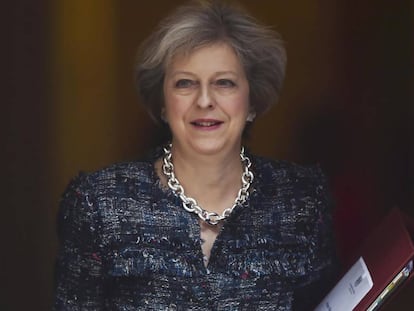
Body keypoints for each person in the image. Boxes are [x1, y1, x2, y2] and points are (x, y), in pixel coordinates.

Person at [53, 1, 339, 310]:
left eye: (224, 83)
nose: (204, 100)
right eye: (185, 83)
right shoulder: (99, 206)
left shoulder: (301, 202)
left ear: (252, 101)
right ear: (163, 103)